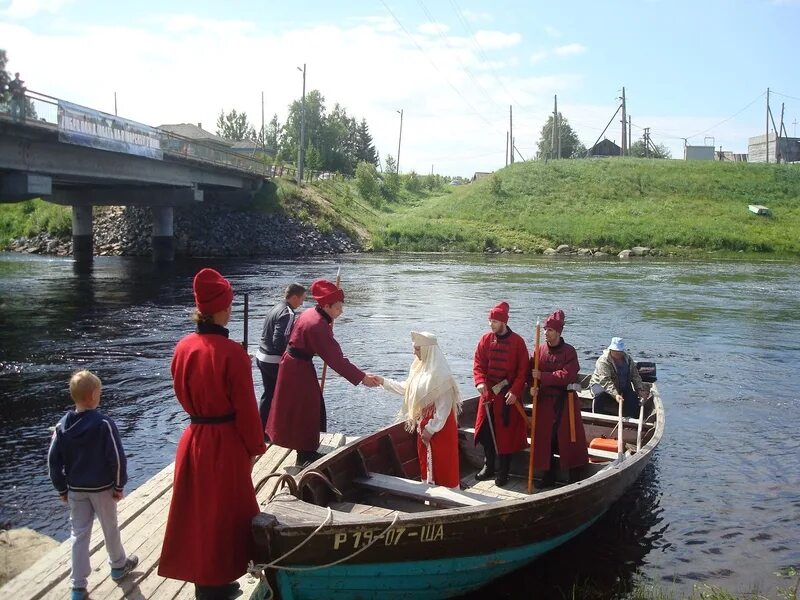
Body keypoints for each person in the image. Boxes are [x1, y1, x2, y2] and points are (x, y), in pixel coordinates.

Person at [159, 268, 266, 600]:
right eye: (230, 305)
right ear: (222, 309)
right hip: (225, 442)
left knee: (199, 514)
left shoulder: (183, 347)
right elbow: (247, 410)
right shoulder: (233, 355)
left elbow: (183, 390)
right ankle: (215, 585)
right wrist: (254, 446)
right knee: (225, 514)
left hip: (194, 437)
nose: (231, 309)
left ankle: (208, 580)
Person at [266, 278, 380, 466]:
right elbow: (336, 359)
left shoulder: (311, 313)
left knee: (308, 409)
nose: (341, 311)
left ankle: (306, 451)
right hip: (297, 370)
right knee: (306, 410)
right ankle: (306, 455)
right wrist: (362, 378)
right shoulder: (317, 325)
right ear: (326, 306)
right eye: (337, 307)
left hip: (295, 365)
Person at [47, 370, 138, 600]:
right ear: (95, 395)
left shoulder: (61, 426)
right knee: (110, 527)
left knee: (78, 533)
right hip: (102, 489)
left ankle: (77, 586)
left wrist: (61, 488)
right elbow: (117, 457)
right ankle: (118, 566)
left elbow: (53, 462)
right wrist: (119, 485)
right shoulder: (103, 423)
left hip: (76, 489)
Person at [375, 331, 462, 488]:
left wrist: (431, 429)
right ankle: (431, 497)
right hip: (424, 426)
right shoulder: (418, 368)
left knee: (443, 464)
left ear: (427, 350)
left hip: (440, 429)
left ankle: (449, 500)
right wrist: (383, 382)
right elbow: (407, 389)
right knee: (426, 462)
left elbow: (444, 408)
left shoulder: (441, 374)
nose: (413, 352)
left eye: (417, 349)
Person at [472, 301, 530, 487]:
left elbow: (523, 371)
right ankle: (488, 466)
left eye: (495, 321)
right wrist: (480, 382)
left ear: (504, 322)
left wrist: (515, 391)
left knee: (506, 437)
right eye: (490, 320)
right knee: (486, 433)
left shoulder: (518, 342)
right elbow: (478, 364)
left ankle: (503, 472)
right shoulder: (485, 340)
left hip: (507, 397)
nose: (491, 324)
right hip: (488, 395)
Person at [530, 309, 588, 487]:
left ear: (558, 332)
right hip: (545, 401)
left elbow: (567, 375)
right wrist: (532, 386)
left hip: (566, 402)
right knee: (546, 440)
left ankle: (575, 477)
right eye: (546, 329)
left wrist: (543, 377)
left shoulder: (569, 351)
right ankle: (548, 476)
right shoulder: (540, 349)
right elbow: (530, 371)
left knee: (570, 439)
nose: (546, 333)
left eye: (550, 330)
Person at [255, 283, 306, 435]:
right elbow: (279, 341)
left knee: (268, 394)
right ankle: (284, 430)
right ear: (295, 297)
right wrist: (293, 356)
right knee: (288, 395)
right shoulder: (288, 313)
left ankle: (262, 431)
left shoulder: (275, 307)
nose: (302, 303)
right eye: (302, 299)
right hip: (273, 360)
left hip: (261, 356)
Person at [589, 337, 649, 418]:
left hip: (622, 385)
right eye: (615, 351)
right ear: (611, 350)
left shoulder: (628, 360)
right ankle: (599, 418)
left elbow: (635, 376)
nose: (618, 353)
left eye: (619, 351)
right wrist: (615, 395)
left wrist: (640, 389)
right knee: (600, 396)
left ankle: (630, 419)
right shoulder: (603, 361)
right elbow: (605, 380)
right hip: (601, 384)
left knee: (633, 397)